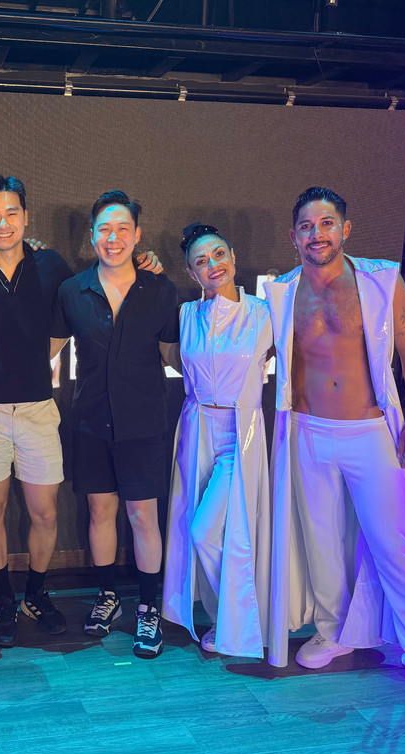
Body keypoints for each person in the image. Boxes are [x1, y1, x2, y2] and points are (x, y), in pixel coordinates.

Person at [265, 187, 405, 721]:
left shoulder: (381, 280)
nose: (317, 234)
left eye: (327, 223)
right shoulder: (280, 292)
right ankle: (333, 633)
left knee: (397, 547)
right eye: (307, 226)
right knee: (322, 544)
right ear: (294, 236)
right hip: (306, 431)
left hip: (371, 432)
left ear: (345, 229)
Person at [51, 190, 180, 659]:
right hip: (90, 421)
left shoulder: (160, 290)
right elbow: (46, 350)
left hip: (144, 423)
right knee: (100, 512)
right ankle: (107, 597)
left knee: (143, 516)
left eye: (123, 228)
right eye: (104, 229)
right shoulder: (72, 291)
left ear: (137, 235)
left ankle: (148, 608)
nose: (113, 237)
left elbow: (172, 356)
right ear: (92, 236)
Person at [0, 173, 73, 646]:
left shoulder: (51, 264)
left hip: (38, 409)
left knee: (45, 513)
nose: (3, 223)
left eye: (11, 213)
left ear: (26, 216)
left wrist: (39, 357)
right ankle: (3, 597)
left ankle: (35, 594)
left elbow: (78, 308)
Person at [161, 222, 283, 662]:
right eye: (201, 261)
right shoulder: (186, 315)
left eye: (218, 254)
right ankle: (227, 618)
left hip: (240, 431)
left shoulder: (265, 313)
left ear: (233, 255)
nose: (212, 265)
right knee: (198, 529)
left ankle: (242, 621)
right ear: (191, 272)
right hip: (195, 426)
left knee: (208, 530)